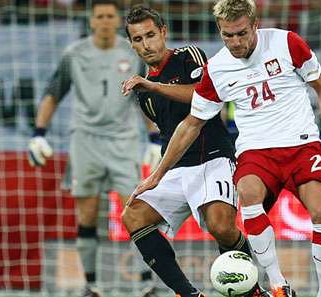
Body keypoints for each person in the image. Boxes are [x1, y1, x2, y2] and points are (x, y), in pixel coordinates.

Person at [131, 0, 321, 297]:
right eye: (228, 35)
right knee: (249, 195)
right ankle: (278, 285)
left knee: (320, 210)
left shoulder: (287, 43)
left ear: (255, 25)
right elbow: (192, 123)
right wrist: (157, 175)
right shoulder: (216, 68)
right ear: (219, 31)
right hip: (256, 151)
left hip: (302, 144)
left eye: (241, 33)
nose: (236, 42)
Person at [121, 6, 270, 297]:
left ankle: (251, 292)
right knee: (133, 215)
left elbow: (202, 94)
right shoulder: (142, 91)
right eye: (138, 39)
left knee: (221, 226)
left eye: (150, 35)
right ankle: (187, 294)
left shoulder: (189, 55)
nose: (146, 44)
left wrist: (154, 86)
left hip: (213, 156)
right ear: (131, 43)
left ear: (163, 32)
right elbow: (165, 130)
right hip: (177, 167)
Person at [27, 1, 161, 296]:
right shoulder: (74, 54)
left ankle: (145, 283)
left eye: (109, 16)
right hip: (85, 140)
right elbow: (53, 94)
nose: (103, 21)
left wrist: (153, 137)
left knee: (135, 211)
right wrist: (38, 133)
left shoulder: (131, 53)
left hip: (123, 141)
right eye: (99, 16)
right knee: (87, 214)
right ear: (91, 21)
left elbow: (145, 96)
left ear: (117, 22)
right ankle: (91, 285)